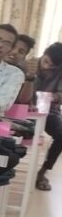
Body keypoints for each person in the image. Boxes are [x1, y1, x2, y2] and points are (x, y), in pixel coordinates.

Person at [35, 43, 62, 191]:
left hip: (49, 112)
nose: (46, 67)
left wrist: (55, 97)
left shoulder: (60, 73)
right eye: (45, 61)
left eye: (51, 66)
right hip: (25, 110)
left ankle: (43, 171)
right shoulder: (31, 66)